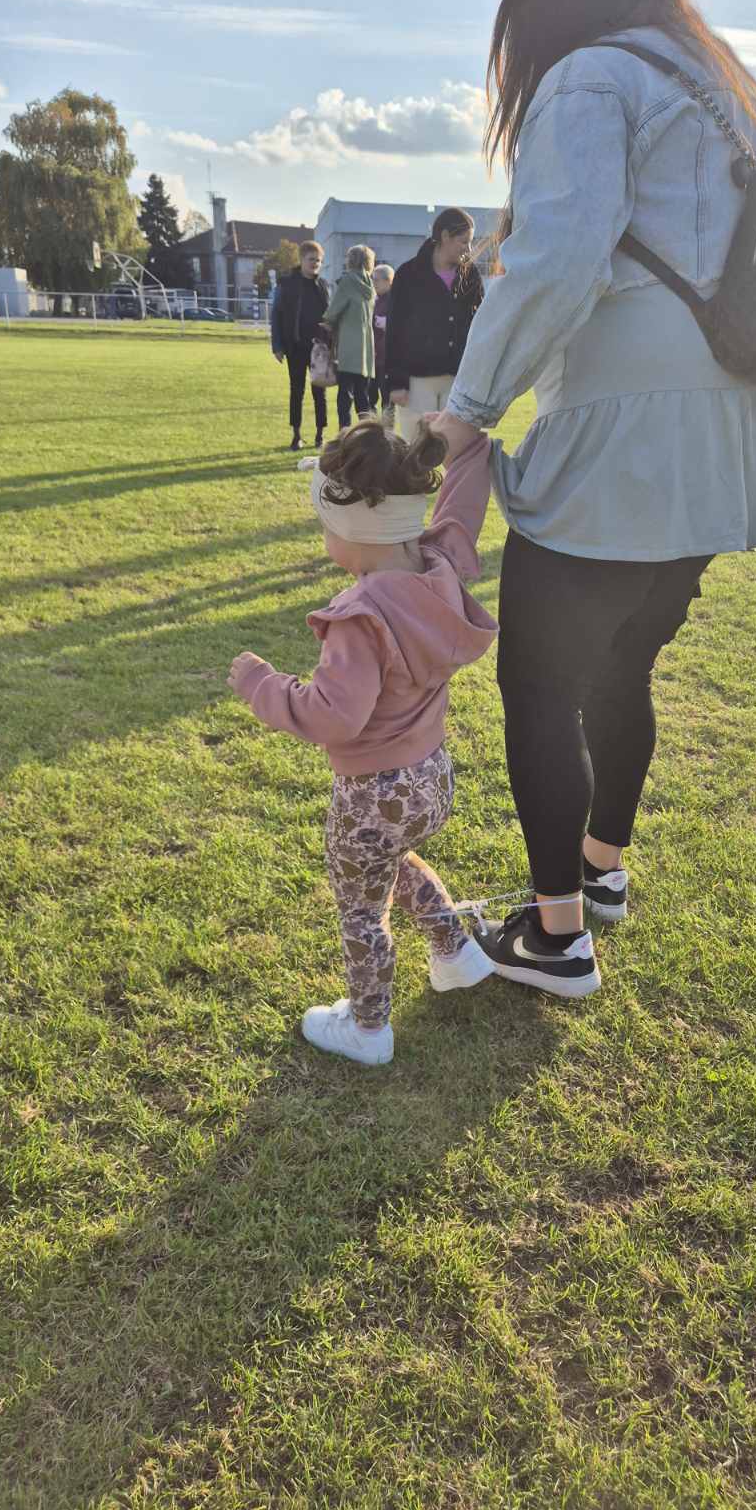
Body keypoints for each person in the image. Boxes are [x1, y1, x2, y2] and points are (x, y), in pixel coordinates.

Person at [428, 0, 756, 1000]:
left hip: (626, 428)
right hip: (731, 430)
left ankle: (556, 939)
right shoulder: (722, 83)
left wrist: (468, 409)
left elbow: (558, 258)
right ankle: (599, 872)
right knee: (621, 668)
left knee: (541, 679)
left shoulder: (590, 78)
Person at [226, 419, 499, 1066]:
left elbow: (333, 716)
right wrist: (469, 445)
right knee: (392, 861)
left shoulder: (362, 616)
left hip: (372, 794)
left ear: (354, 529)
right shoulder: (440, 566)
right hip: (430, 778)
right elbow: (460, 512)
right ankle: (455, 951)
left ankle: (368, 1029)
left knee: (360, 909)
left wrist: (264, 686)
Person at [387, 208, 485, 442]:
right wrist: (396, 382)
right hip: (416, 383)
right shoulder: (407, 274)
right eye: (464, 241)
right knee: (417, 449)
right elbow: (395, 330)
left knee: (455, 450)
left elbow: (480, 326)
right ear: (445, 236)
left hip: (458, 381)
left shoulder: (471, 275)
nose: (469, 249)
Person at [271, 241, 331, 453]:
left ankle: (320, 435)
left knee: (319, 392)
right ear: (301, 259)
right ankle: (296, 436)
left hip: (318, 349)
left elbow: (330, 316)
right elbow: (276, 315)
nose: (315, 263)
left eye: (318, 260)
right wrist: (277, 346)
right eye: (311, 259)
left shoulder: (323, 286)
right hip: (294, 346)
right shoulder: (286, 284)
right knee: (296, 391)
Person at [323, 244, 377, 431]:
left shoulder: (347, 282)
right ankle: (366, 432)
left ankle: (344, 432)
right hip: (366, 348)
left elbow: (333, 312)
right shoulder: (370, 285)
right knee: (363, 395)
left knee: (345, 394)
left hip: (348, 345)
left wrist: (327, 321)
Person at [368, 263, 395, 413]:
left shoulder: (396, 301)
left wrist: (389, 323)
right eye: (373, 279)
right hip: (373, 358)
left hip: (387, 359)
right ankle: (370, 426)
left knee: (387, 399)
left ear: (388, 281)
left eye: (377, 280)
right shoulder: (374, 300)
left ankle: (387, 427)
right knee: (370, 398)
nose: (374, 283)